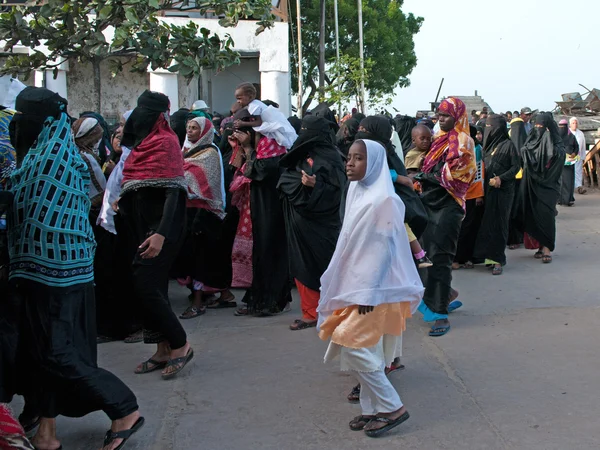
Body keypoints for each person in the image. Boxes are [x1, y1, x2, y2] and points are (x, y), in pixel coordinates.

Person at [8, 86, 143, 450]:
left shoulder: (50, 160)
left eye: (24, 120)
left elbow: (33, 209)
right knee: (41, 353)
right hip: (42, 271)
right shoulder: (43, 154)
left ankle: (124, 407)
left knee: (58, 353)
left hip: (59, 273)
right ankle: (47, 433)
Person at [317, 139, 423, 438]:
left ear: (374, 163)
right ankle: (371, 409)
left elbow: (384, 250)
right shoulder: (358, 191)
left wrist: (368, 292)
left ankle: (392, 408)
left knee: (354, 344)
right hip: (357, 285)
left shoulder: (385, 201)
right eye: (349, 157)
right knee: (366, 351)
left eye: (359, 158)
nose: (350, 163)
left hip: (374, 290)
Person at [117, 90, 194, 379]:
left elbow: (174, 190)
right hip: (139, 227)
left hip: (163, 228)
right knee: (151, 288)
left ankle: (180, 343)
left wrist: (161, 233)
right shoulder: (140, 146)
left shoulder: (166, 141)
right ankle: (161, 349)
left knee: (146, 286)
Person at [415, 97, 476, 337]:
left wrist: (423, 177)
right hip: (430, 204)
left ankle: (440, 314)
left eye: (446, 116)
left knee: (440, 257)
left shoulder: (464, 141)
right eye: (439, 116)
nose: (440, 120)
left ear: (458, 117)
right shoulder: (438, 139)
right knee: (428, 255)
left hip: (449, 205)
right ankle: (446, 294)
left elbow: (459, 175)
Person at [278, 116, 346, 330]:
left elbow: (340, 190)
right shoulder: (299, 153)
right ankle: (309, 312)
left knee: (328, 266)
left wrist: (316, 185)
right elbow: (285, 179)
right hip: (299, 222)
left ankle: (335, 312)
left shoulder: (334, 157)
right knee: (302, 265)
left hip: (324, 223)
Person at [228, 108, 292, 316]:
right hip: (257, 206)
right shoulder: (259, 144)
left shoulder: (272, 145)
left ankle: (271, 301)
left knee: (269, 251)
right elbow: (238, 168)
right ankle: (259, 297)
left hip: (270, 207)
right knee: (260, 252)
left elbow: (255, 171)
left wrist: (248, 148)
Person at [176, 117, 237, 318]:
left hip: (205, 212)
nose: (191, 131)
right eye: (189, 128)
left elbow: (207, 181)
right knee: (204, 258)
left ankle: (198, 302)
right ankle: (224, 295)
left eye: (195, 128)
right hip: (189, 211)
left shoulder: (210, 153)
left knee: (201, 259)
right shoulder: (185, 151)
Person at [473, 115, 521, 275]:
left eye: (490, 127)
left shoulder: (508, 145)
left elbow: (516, 167)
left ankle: (498, 260)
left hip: (504, 191)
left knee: (499, 224)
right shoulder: (486, 146)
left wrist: (501, 178)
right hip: (488, 190)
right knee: (487, 223)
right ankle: (488, 258)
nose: (488, 130)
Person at [517, 113, 565, 264]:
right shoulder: (531, 139)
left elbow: (560, 156)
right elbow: (524, 151)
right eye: (536, 126)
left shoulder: (556, 143)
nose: (538, 129)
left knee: (547, 216)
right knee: (533, 215)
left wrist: (549, 148)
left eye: (541, 127)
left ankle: (547, 248)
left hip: (549, 185)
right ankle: (539, 245)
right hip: (532, 185)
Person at [453, 125, 485, 269]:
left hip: (471, 193)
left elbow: (477, 174)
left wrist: (479, 194)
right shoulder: (459, 147)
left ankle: (462, 257)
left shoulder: (475, 149)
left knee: (467, 227)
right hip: (459, 193)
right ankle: (458, 257)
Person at [234, 82, 298, 149]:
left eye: (239, 98)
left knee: (281, 137)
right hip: (274, 120)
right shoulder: (256, 103)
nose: (238, 101)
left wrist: (242, 123)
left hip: (271, 122)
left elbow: (259, 122)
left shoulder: (253, 107)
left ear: (250, 97)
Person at [558, 119, 579, 206]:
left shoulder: (571, 137)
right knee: (560, 182)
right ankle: (560, 199)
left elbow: (576, 147)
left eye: (564, 127)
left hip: (569, 163)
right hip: (559, 163)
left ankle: (568, 199)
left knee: (568, 181)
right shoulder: (557, 137)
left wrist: (574, 153)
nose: (562, 129)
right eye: (560, 127)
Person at [569, 117, 587, 194]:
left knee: (578, 171)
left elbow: (583, 146)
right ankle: (569, 187)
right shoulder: (567, 133)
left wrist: (583, 156)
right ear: (570, 124)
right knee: (569, 172)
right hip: (568, 156)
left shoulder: (580, 134)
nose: (575, 125)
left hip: (578, 155)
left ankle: (579, 187)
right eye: (573, 123)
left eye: (576, 123)